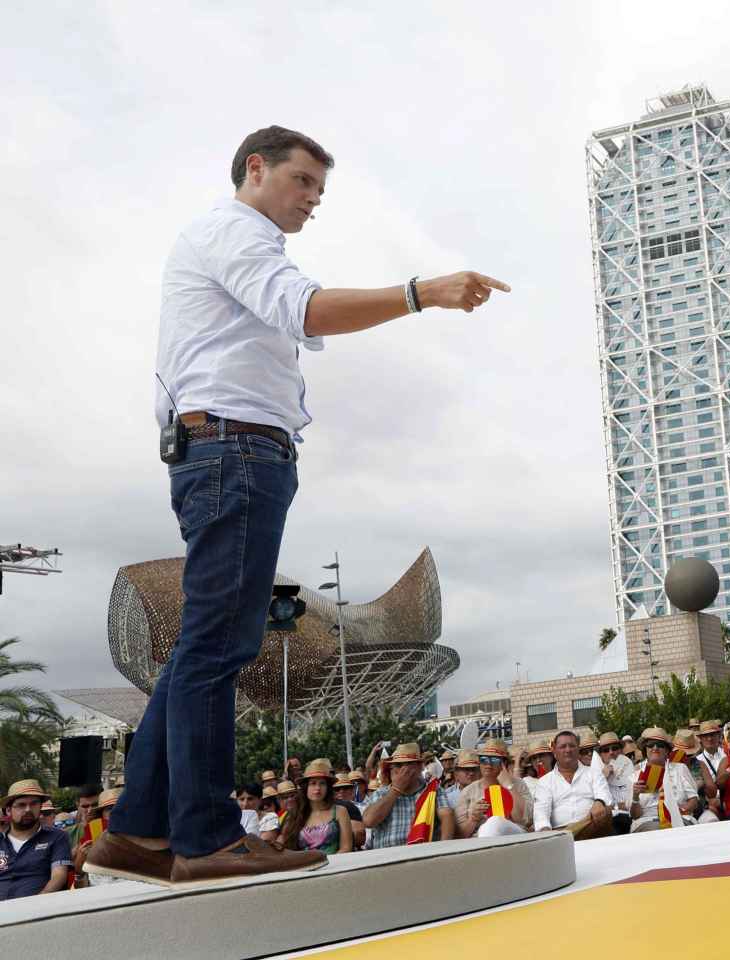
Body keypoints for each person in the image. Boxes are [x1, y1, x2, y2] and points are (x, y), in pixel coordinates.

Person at [93, 127, 505, 887]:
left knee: (200, 649)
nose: (314, 199)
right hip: (234, 452)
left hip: (227, 451)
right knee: (216, 649)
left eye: (321, 188)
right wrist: (423, 292)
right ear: (256, 169)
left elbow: (300, 316)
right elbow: (307, 311)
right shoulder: (234, 232)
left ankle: (137, 833)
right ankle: (208, 836)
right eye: (304, 181)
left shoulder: (243, 247)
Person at [360, 743, 456, 848]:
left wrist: (442, 850)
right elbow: (368, 821)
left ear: (419, 767)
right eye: (396, 766)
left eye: (405, 765)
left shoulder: (434, 790)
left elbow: (447, 816)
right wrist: (396, 790)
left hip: (423, 855)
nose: (400, 771)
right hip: (388, 857)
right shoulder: (380, 793)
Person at [533, 730, 615, 839]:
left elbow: (604, 795)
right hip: (559, 831)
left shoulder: (593, 773)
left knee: (606, 812)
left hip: (592, 825)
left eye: (572, 746)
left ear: (578, 750)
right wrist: (545, 831)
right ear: (554, 752)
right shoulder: (545, 782)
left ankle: (566, 837)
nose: (568, 750)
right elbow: (541, 812)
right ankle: (563, 838)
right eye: (563, 746)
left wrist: (599, 802)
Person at [1, 780, 72, 899]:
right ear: (8, 810)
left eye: (34, 804)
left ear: (40, 807)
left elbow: (59, 876)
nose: (28, 809)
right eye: (21, 805)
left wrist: (36, 904)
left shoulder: (56, 837)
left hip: (37, 911)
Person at [632, 729, 711, 829]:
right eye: (651, 744)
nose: (655, 748)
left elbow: (694, 800)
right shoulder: (635, 775)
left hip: (679, 818)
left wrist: (680, 811)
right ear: (645, 749)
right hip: (647, 820)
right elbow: (635, 815)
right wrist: (635, 797)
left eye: (660, 745)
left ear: (667, 750)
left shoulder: (680, 768)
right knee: (657, 829)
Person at [456, 740, 533, 838]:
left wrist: (508, 785)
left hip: (514, 837)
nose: (488, 764)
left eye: (494, 760)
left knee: (495, 821)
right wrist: (473, 819)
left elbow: (525, 820)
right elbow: (460, 836)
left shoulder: (518, 784)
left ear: (504, 763)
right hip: (479, 842)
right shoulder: (468, 791)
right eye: (484, 759)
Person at [281, 760, 352, 854]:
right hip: (303, 866)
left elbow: (346, 848)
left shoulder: (340, 811)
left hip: (336, 866)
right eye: (313, 783)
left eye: (322, 783)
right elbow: (286, 849)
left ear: (328, 787)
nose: (317, 788)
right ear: (306, 787)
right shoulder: (294, 814)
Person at [594, 732, 637, 835]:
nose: (611, 752)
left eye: (614, 748)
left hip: (633, 817)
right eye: (606, 750)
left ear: (621, 750)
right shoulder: (595, 772)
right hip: (611, 820)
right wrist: (603, 777)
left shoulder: (628, 765)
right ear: (600, 754)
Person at [330, 774, 366, 850]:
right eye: (337, 789)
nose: (341, 791)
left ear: (352, 790)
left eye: (345, 788)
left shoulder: (364, 808)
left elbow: (360, 835)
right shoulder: (325, 811)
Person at [262, 780, 298, 847]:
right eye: (285, 798)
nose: (290, 799)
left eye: (292, 796)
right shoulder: (279, 816)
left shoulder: (302, 812)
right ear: (279, 800)